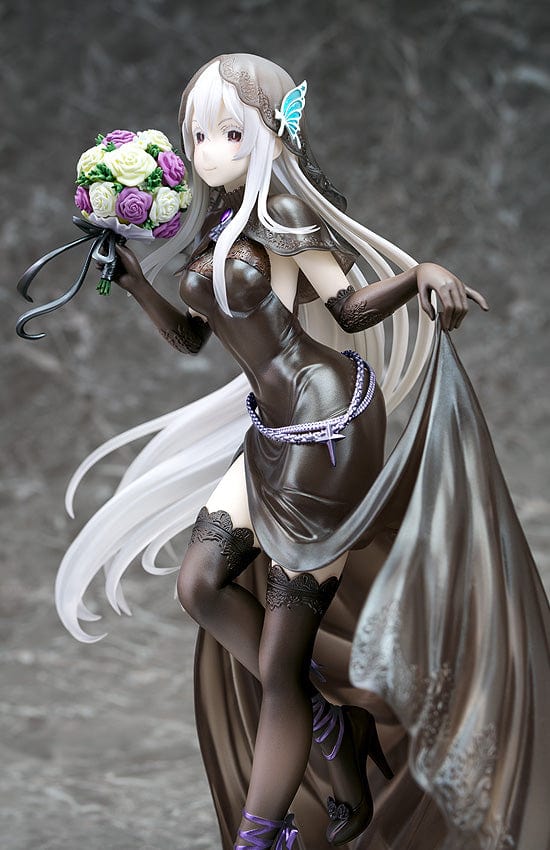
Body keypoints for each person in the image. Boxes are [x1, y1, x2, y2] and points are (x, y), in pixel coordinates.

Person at [55, 54, 550, 850]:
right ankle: (329, 720)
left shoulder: (281, 211)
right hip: (272, 431)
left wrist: (418, 274)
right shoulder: (220, 227)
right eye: (198, 134)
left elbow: (348, 309)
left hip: (327, 435)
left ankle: (260, 835)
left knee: (279, 666)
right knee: (199, 585)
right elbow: (193, 339)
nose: (207, 151)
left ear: (271, 133)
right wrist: (136, 278)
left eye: (229, 133)